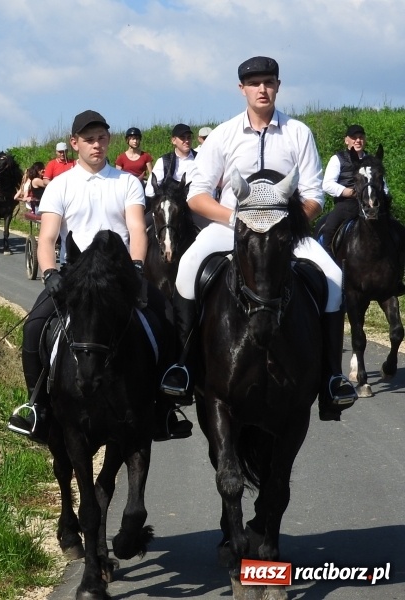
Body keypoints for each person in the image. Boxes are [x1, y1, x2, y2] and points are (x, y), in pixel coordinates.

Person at [158, 56, 357, 422]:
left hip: (286, 233)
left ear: (278, 86)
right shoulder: (223, 135)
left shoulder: (298, 133)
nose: (261, 89)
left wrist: (286, 226)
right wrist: (236, 220)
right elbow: (197, 195)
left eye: (268, 82)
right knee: (186, 268)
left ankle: (332, 377)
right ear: (242, 89)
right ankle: (182, 366)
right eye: (254, 83)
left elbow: (314, 194)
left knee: (333, 277)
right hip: (231, 227)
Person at [7, 110, 192, 443]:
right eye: (89, 139)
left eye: (102, 138)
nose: (96, 145)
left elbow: (137, 229)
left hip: (120, 275)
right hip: (74, 276)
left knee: (166, 315)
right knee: (34, 325)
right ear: (75, 143)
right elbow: (47, 238)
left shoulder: (127, 182)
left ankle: (164, 407)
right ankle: (38, 407)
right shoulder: (60, 185)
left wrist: (137, 267)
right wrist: (49, 273)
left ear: (109, 141)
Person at [317, 124, 388, 255]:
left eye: (361, 137)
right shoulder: (337, 159)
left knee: (396, 230)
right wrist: (348, 192)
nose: (358, 140)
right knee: (328, 230)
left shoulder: (372, 160)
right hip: (347, 204)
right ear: (346, 140)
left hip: (372, 203)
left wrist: (382, 196)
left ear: (365, 139)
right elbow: (327, 184)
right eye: (354, 138)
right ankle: (328, 260)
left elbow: (383, 184)